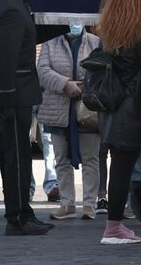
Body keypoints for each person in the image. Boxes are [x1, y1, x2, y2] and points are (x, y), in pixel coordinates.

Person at [0, 0, 66, 236]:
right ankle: (17, 217)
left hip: (16, 92)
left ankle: (22, 212)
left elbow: (28, 38)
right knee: (16, 157)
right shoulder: (10, 8)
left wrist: (66, 22)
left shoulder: (11, 3)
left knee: (16, 155)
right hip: (14, 93)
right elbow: (5, 57)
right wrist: (7, 95)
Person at [95, 0, 141, 244]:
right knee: (124, 166)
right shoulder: (137, 41)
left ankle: (115, 224)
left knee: (119, 165)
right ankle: (114, 227)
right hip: (131, 110)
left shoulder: (111, 36)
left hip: (112, 109)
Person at [37, 24, 101, 221]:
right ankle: (67, 204)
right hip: (57, 109)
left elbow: (102, 70)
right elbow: (42, 71)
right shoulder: (50, 42)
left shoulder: (95, 42)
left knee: (91, 158)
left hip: (87, 110)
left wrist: (81, 86)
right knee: (61, 159)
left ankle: (89, 204)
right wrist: (64, 84)